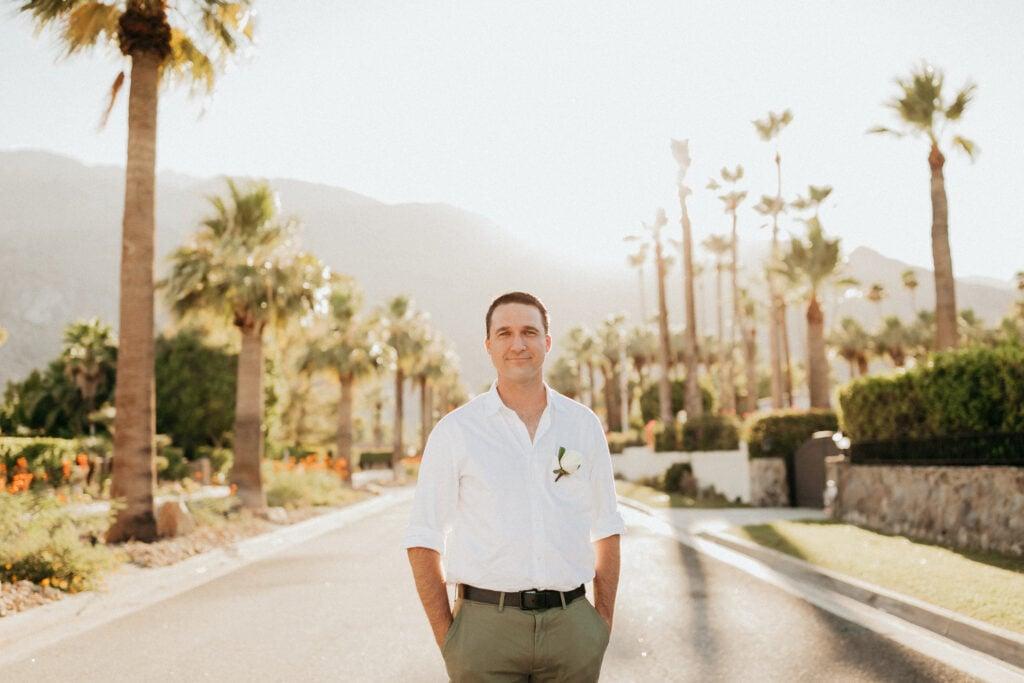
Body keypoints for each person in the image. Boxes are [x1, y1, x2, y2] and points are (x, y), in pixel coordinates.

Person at [404, 291, 625, 682]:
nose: (518, 344)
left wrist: (601, 623)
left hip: (572, 629)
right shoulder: (456, 430)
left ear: (547, 342)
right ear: (488, 345)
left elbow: (606, 527)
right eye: (504, 333)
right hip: (484, 633)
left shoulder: (582, 425)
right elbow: (423, 538)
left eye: (529, 332)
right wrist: (450, 639)